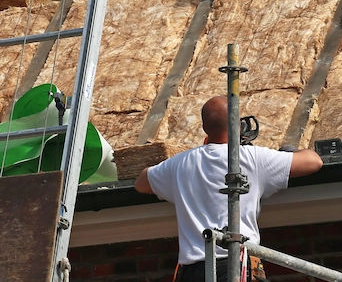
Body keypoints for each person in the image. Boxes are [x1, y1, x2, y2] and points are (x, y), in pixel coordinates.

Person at [134, 96, 323, 282]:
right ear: (237, 125)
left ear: (204, 128)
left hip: (194, 271)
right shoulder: (252, 158)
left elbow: (141, 182)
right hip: (236, 265)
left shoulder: (180, 163)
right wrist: (290, 149)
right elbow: (313, 161)